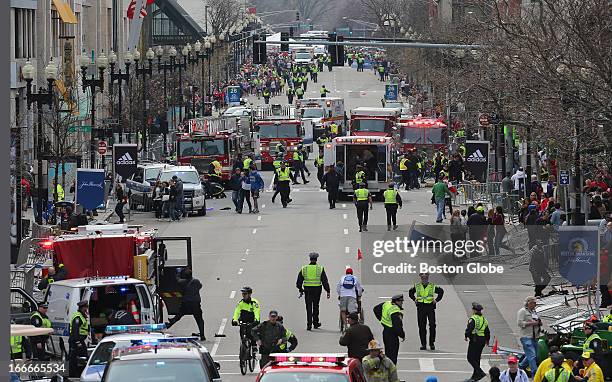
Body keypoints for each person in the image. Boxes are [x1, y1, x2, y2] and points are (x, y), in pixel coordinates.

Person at [165, 268, 206, 341]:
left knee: (179, 314)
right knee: (199, 319)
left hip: (186, 303)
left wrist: (177, 272)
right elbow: (200, 286)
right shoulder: (196, 281)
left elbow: (177, 280)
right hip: (195, 304)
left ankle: (170, 323)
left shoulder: (182, 282)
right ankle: (202, 335)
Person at [408, 273, 444, 350]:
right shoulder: (417, 286)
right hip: (421, 307)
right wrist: (414, 299)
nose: (424, 279)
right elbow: (410, 292)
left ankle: (432, 343)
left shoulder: (432, 286)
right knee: (421, 326)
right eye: (423, 278)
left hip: (430, 307)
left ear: (428, 278)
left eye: (425, 278)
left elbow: (441, 292)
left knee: (432, 325)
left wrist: (436, 300)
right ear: (421, 278)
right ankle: (423, 344)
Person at [296, 252, 330, 330]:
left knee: (308, 307)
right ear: (316, 259)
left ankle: (309, 324)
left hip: (307, 289)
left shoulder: (304, 268)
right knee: (315, 306)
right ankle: (315, 323)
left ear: (310, 259)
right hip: (317, 290)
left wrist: (300, 289)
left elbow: (298, 282)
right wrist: (327, 291)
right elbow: (324, 281)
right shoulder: (320, 268)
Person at [373, 294, 405, 365]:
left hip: (386, 331)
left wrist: (381, 318)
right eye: (401, 301)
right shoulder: (394, 310)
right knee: (393, 355)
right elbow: (397, 325)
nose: (402, 303)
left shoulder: (387, 303)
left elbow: (375, 309)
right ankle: (391, 369)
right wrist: (402, 335)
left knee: (388, 352)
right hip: (392, 334)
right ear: (396, 301)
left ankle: (387, 368)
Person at [465, 302, 490, 382]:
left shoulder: (473, 319)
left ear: (474, 310)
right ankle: (475, 377)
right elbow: (487, 331)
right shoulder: (484, 319)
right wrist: (487, 340)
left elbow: (469, 329)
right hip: (482, 340)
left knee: (470, 358)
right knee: (477, 359)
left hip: (475, 339)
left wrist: (466, 336)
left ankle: (480, 372)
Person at [517, 296, 541, 375]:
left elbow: (537, 322)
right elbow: (519, 323)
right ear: (529, 303)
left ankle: (520, 366)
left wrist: (539, 322)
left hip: (535, 337)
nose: (535, 304)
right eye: (534, 303)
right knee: (532, 355)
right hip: (526, 337)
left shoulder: (534, 312)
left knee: (535, 355)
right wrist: (531, 323)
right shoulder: (522, 311)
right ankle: (535, 373)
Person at [69, 300, 90, 377]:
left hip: (79, 340)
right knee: (74, 358)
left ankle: (78, 373)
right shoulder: (78, 317)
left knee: (80, 357)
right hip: (76, 340)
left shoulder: (82, 315)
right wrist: (78, 342)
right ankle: (73, 375)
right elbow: (75, 330)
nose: (87, 309)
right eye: (86, 307)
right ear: (82, 308)